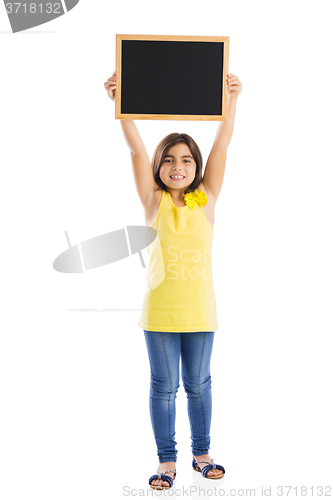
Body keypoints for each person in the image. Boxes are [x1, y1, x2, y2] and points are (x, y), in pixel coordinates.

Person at [104, 70, 242, 490]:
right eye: (168, 159)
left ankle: (203, 454)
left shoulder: (208, 200)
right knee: (163, 387)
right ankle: (167, 462)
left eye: (186, 159)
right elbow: (134, 151)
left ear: (195, 166)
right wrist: (119, 104)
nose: (177, 166)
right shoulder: (153, 201)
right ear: (158, 166)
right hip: (161, 311)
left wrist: (232, 100)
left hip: (200, 310)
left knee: (198, 385)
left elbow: (221, 147)